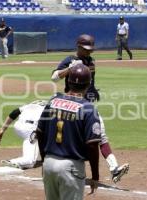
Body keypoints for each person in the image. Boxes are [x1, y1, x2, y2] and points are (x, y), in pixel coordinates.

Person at [51, 34, 129, 183]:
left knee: (97, 135)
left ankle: (114, 169)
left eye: (90, 50)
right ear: (78, 47)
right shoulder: (70, 60)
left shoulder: (91, 61)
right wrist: (70, 68)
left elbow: (90, 81)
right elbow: (54, 77)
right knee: (96, 135)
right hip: (72, 105)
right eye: (86, 49)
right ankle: (112, 169)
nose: (89, 52)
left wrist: (94, 90)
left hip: (86, 104)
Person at [37, 64, 101, 200]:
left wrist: (44, 161)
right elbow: (92, 145)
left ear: (68, 81)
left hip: (49, 163)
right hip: (71, 167)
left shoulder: (52, 102)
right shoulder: (88, 108)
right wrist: (95, 175)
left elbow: (39, 132)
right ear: (88, 84)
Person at [0, 100, 47, 169]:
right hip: (30, 128)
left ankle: (46, 156)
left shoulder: (33, 104)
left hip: (18, 126)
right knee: (30, 161)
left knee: (39, 135)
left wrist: (3, 129)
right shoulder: (51, 107)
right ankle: (13, 162)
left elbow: (14, 113)